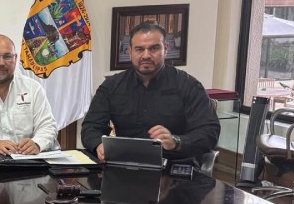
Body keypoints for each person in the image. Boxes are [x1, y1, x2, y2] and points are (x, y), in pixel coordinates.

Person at [81, 21, 219, 163]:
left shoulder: (188, 85)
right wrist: (98, 145)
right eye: (139, 49)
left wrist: (176, 142)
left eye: (154, 48)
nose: (146, 55)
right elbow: (91, 127)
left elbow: (209, 132)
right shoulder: (112, 86)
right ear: (130, 51)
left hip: (174, 164)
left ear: (166, 49)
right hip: (124, 164)